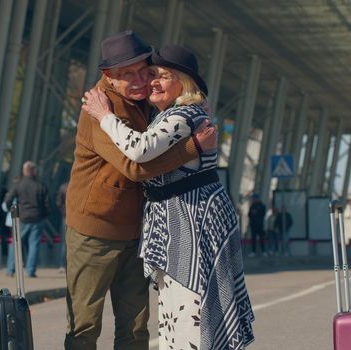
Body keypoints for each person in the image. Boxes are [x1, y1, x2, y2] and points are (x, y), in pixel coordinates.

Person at [83, 44, 254, 349]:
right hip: (187, 217)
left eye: (164, 75)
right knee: (184, 308)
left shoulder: (182, 114)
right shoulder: (180, 113)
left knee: (190, 308)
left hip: (192, 220)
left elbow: (139, 150)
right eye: (152, 75)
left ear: (184, 84)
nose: (153, 82)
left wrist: (104, 115)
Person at [65, 31, 217, 350]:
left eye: (142, 71)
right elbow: (133, 166)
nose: (139, 81)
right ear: (109, 76)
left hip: (136, 231)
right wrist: (193, 147)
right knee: (85, 327)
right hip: (95, 231)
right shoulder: (99, 108)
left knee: (135, 328)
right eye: (126, 75)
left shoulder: (148, 104)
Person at [4, 162, 48, 278]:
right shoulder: (41, 185)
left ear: (24, 171)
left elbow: (8, 200)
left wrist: (12, 211)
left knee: (16, 244)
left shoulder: (19, 185)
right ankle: (31, 270)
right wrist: (43, 215)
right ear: (34, 171)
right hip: (37, 218)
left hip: (21, 218)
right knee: (34, 245)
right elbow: (47, 204)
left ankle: (10, 269)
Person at [55, 180, 68, 273]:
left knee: (64, 242)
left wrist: (63, 212)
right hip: (78, 217)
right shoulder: (81, 185)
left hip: (66, 216)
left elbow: (59, 203)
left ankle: (62, 264)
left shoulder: (64, 186)